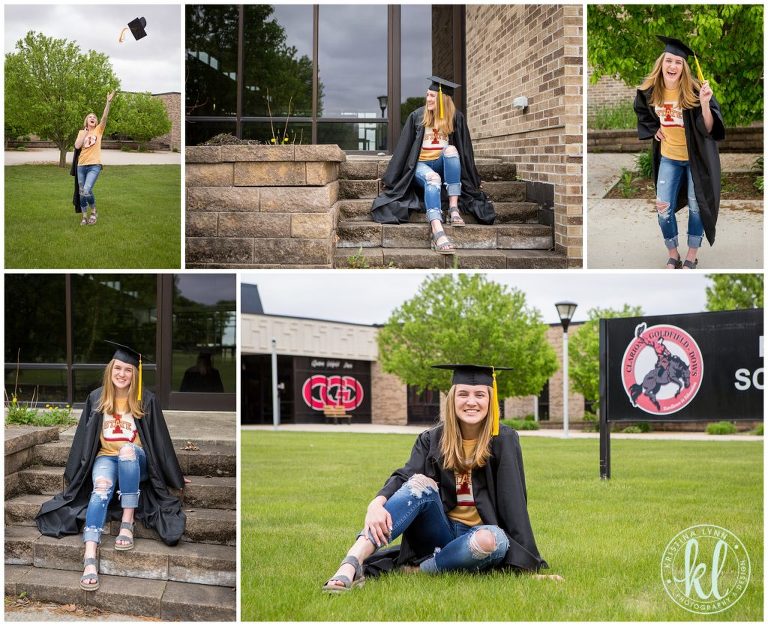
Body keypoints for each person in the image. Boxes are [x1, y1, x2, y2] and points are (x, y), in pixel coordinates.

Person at [322, 364, 557, 593]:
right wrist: (376, 502)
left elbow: (513, 501)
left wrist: (527, 566)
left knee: (491, 539)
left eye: (480, 395)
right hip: (438, 532)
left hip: (479, 536)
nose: (471, 401)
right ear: (452, 399)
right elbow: (406, 475)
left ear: (490, 400)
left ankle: (420, 570)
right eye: (463, 394)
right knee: (418, 484)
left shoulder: (504, 439)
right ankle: (351, 563)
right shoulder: (431, 438)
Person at [35, 342, 188, 592]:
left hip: (136, 460)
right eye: (118, 368)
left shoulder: (145, 399)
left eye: (128, 370)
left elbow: (161, 440)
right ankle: (90, 554)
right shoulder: (96, 398)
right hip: (105, 458)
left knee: (127, 451)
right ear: (110, 369)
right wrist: (74, 474)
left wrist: (175, 476)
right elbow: (83, 439)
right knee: (101, 487)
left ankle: (127, 521)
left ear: (134, 374)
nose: (122, 374)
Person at [371, 77, 495, 255]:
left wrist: (473, 179)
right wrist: (391, 177)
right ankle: (437, 230)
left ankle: (453, 208)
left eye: (433, 96)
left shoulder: (455, 118)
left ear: (443, 100)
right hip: (421, 166)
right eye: (427, 95)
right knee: (433, 178)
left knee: (451, 150)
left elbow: (465, 150)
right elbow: (403, 149)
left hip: (443, 164)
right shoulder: (417, 116)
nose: (428, 99)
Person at [634, 36, 724, 269]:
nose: (673, 66)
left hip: (696, 160)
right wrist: (654, 129)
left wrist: (705, 103)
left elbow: (709, 128)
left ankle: (691, 255)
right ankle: (673, 253)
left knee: (697, 207)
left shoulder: (694, 91)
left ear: (684, 67)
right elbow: (643, 113)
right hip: (669, 158)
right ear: (661, 63)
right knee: (663, 207)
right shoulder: (650, 91)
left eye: (678, 62)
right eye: (669, 61)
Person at [74, 91, 115, 226]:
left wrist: (108, 103)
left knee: (86, 190)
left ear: (96, 121)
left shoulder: (99, 130)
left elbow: (104, 117)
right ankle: (84, 217)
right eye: (90, 117)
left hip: (94, 165)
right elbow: (77, 145)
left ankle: (94, 212)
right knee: (82, 192)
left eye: (94, 117)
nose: (92, 118)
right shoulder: (82, 132)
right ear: (86, 120)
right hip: (81, 165)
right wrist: (85, 133)